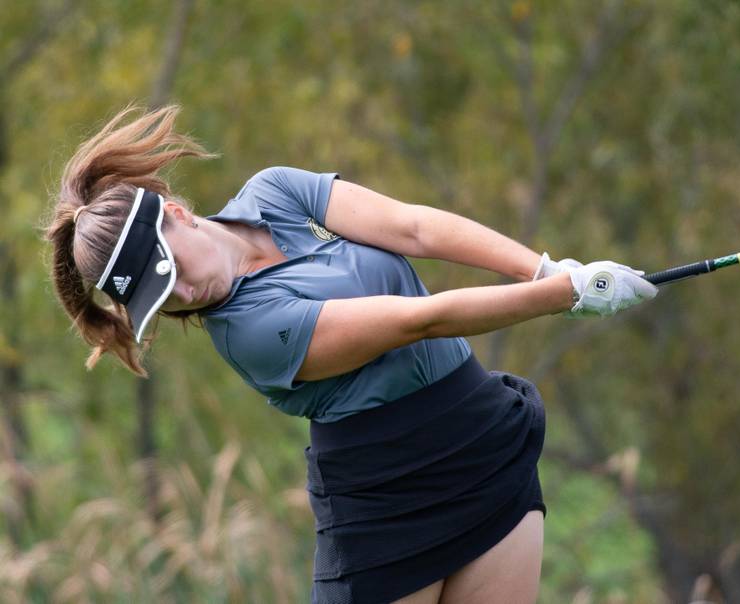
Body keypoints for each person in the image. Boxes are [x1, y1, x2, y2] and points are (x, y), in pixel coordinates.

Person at [44, 105, 657, 604]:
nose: (182, 295)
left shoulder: (275, 192)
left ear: (176, 215)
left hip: (481, 444)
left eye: (170, 272)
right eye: (160, 300)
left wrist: (544, 267)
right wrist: (565, 294)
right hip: (385, 507)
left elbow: (414, 228)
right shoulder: (246, 334)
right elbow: (421, 320)